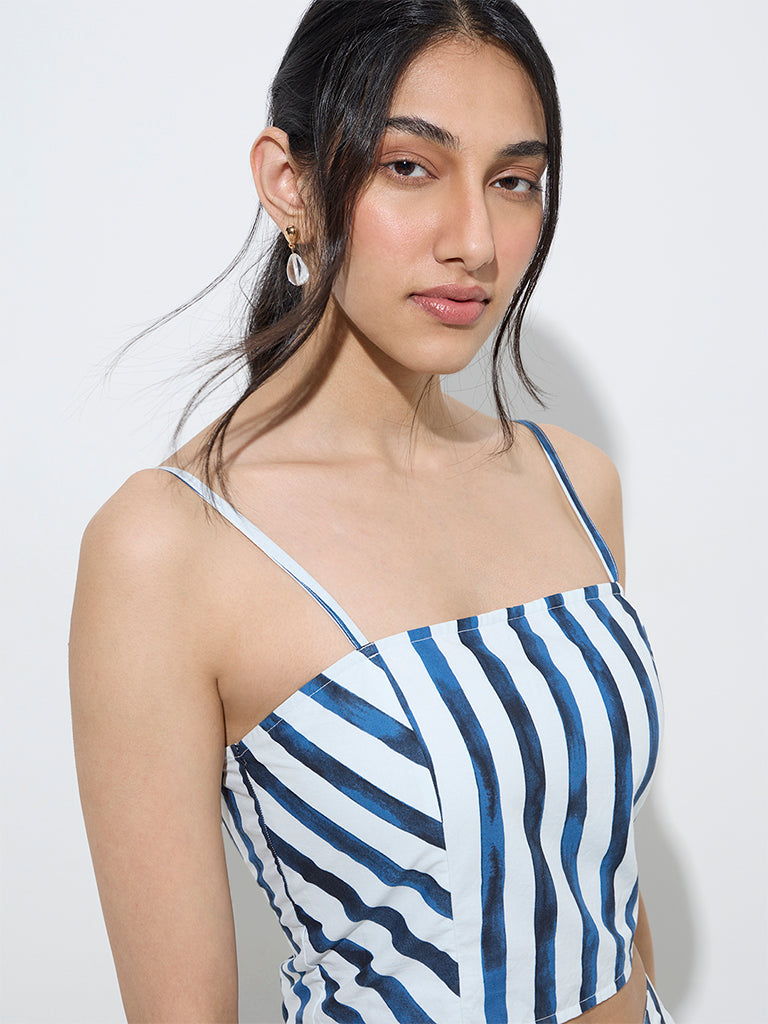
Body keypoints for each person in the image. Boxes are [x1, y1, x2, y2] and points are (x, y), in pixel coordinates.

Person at [69, 2, 674, 1022]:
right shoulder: (168, 548)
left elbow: (602, 875)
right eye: (409, 166)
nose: (474, 241)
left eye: (514, 181)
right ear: (290, 183)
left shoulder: (574, 481)